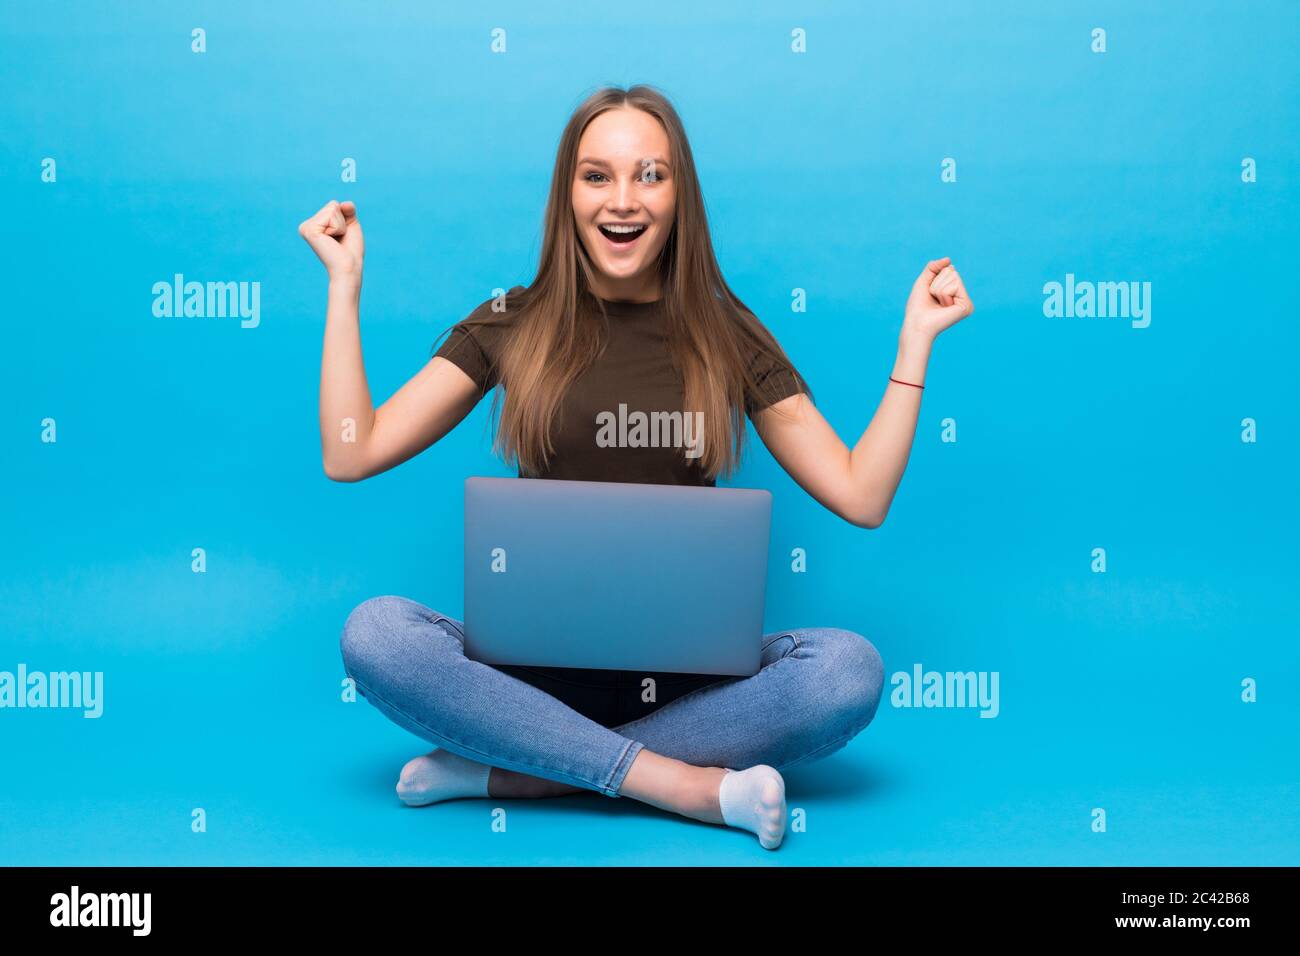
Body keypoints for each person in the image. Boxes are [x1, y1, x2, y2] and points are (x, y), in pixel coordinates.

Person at [298, 84, 974, 850]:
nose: (623, 200)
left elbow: (862, 494)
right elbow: (351, 450)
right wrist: (343, 287)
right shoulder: (509, 322)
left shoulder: (726, 331)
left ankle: (519, 769)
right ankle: (682, 785)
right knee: (377, 633)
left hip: (691, 690)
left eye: (650, 174)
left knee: (846, 671)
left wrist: (916, 343)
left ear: (680, 193)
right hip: (527, 682)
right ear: (569, 193)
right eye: (598, 175)